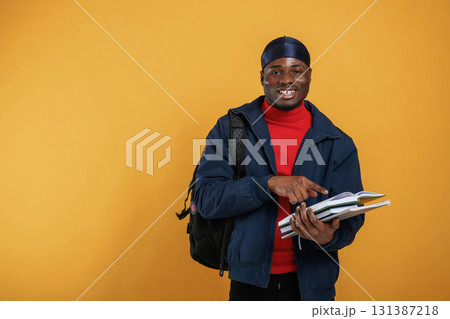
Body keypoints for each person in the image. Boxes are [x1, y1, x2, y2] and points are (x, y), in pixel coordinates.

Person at [192, 36, 365, 301]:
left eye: (297, 71)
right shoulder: (231, 128)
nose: (287, 79)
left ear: (309, 75)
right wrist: (268, 184)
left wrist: (328, 236)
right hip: (249, 282)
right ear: (262, 77)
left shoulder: (337, 142)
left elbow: (352, 217)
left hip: (313, 283)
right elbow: (206, 198)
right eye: (276, 71)